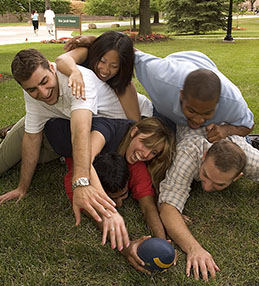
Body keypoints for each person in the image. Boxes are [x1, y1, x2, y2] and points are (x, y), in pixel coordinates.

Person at [0, 47, 152, 251]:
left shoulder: (78, 82)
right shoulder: (35, 91)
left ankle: (7, 132)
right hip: (63, 122)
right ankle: (8, 133)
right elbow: (31, 137)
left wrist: (81, 183)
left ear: (52, 68)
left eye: (44, 82)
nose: (42, 93)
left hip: (120, 120)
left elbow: (80, 133)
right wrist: (22, 187)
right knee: (8, 155)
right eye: (32, 89)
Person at [46, 116, 175, 273]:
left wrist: (162, 243)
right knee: (15, 151)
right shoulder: (78, 175)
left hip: (81, 133)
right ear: (134, 132)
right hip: (49, 133)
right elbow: (96, 215)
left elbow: (148, 206)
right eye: (112, 200)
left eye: (153, 152)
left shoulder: (134, 164)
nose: (118, 205)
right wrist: (126, 248)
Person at [158, 125, 259, 281]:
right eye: (205, 174)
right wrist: (194, 248)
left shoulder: (249, 161)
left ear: (238, 176)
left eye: (219, 184)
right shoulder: (189, 152)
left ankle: (250, 140)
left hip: (237, 142)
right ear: (204, 156)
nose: (206, 187)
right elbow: (167, 207)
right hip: (188, 129)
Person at [134, 50, 254, 142]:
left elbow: (248, 125)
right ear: (181, 95)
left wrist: (226, 130)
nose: (198, 120)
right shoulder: (160, 78)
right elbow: (130, 50)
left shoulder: (232, 101)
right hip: (179, 64)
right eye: (192, 110)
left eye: (207, 113)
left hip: (203, 62)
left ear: (218, 102)